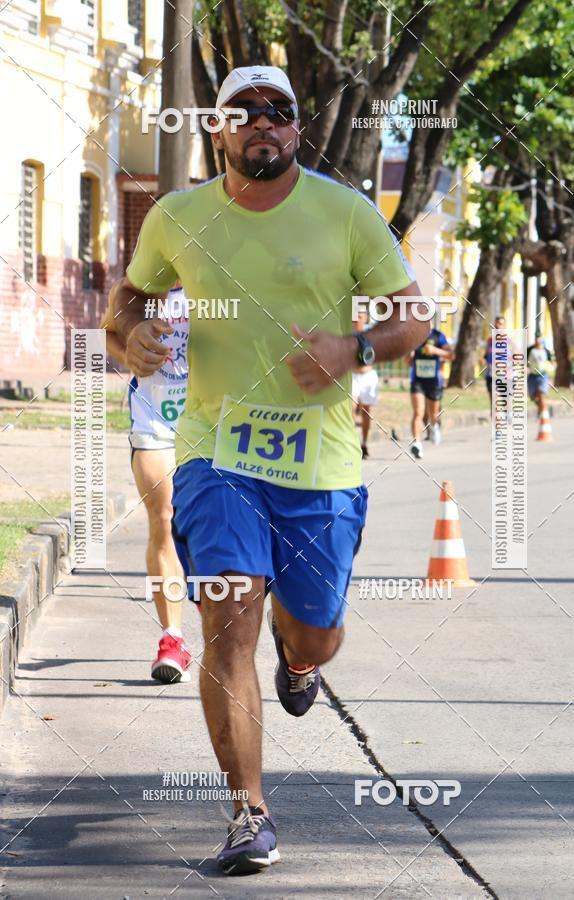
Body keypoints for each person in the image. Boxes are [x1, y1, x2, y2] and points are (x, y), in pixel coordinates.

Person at [108, 64, 427, 876]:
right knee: (228, 618)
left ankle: (301, 661)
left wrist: (352, 349)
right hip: (216, 454)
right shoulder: (178, 218)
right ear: (216, 130)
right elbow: (129, 303)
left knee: (313, 626)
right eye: (241, 113)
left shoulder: (346, 212)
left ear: (296, 128)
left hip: (319, 466)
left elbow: (413, 314)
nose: (261, 124)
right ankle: (249, 812)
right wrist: (130, 338)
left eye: (276, 111)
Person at [102, 284, 192, 684]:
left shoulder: (231, 266)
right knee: (164, 518)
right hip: (157, 419)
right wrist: (133, 357)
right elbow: (104, 333)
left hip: (223, 423)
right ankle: (171, 640)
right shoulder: (140, 283)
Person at [408, 327, 453, 459]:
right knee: (418, 412)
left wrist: (435, 350)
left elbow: (451, 355)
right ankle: (417, 443)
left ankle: (434, 426)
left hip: (433, 381)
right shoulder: (413, 335)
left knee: (433, 414)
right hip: (417, 380)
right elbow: (406, 360)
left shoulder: (438, 336)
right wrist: (408, 356)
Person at [351, 309, 379, 458]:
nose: (357, 318)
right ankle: (352, 442)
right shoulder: (346, 333)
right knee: (352, 406)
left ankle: (364, 443)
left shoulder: (370, 334)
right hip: (352, 376)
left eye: (360, 315)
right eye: (355, 315)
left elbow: (377, 355)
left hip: (368, 376)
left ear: (366, 317)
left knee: (366, 411)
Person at [481, 315, 505, 411]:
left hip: (504, 374)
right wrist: (483, 359)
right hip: (491, 374)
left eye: (501, 324)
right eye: (496, 324)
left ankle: (508, 414)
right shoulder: (490, 340)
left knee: (504, 399)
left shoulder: (508, 341)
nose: (498, 326)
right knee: (493, 397)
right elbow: (487, 354)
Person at [526, 331, 553, 416]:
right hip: (532, 375)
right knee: (532, 397)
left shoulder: (546, 351)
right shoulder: (529, 349)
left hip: (542, 375)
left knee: (540, 393)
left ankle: (542, 413)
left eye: (539, 337)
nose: (538, 339)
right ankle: (542, 408)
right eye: (537, 338)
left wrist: (552, 367)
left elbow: (552, 361)